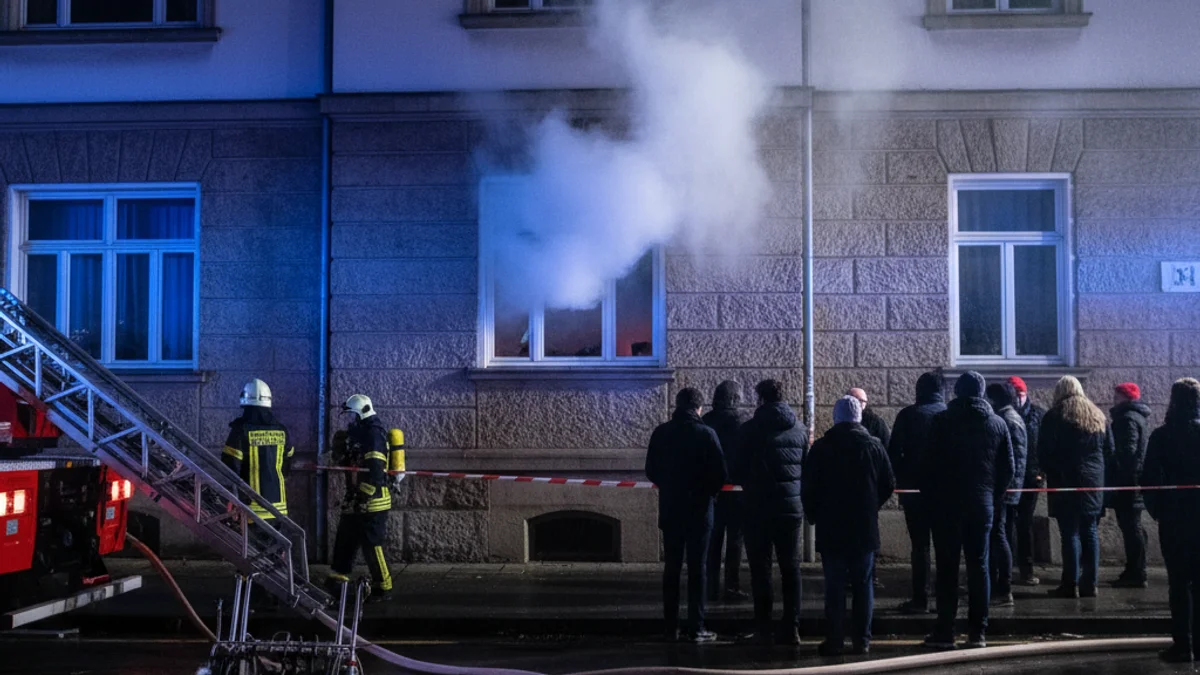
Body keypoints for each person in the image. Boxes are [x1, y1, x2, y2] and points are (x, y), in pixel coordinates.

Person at [921, 372, 1013, 651]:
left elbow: (929, 464)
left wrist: (932, 496)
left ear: (958, 391)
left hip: (946, 505)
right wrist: (993, 495)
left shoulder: (942, 421)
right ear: (982, 392)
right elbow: (1007, 469)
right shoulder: (997, 423)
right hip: (981, 504)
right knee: (979, 566)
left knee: (947, 568)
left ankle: (945, 631)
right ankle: (977, 632)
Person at [802, 396, 895, 657]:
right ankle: (862, 640)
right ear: (859, 417)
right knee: (863, 586)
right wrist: (872, 506)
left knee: (834, 587)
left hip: (831, 527)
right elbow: (888, 483)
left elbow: (808, 487)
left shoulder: (822, 448)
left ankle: (834, 640)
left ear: (836, 417)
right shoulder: (874, 446)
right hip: (863, 527)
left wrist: (814, 515)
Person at [646, 388, 728, 643]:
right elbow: (720, 473)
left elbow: (651, 470)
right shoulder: (706, 434)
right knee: (697, 568)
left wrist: (669, 486)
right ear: (699, 408)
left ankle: (670, 627)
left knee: (672, 567)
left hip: (671, 508)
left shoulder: (662, 433)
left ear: (677, 405)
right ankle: (696, 626)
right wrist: (708, 493)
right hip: (700, 510)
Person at [732, 379, 809, 646]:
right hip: (790, 509)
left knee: (761, 570)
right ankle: (792, 627)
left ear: (760, 399)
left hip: (758, 508)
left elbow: (736, 470)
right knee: (791, 568)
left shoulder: (749, 430)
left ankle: (763, 628)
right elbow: (806, 467)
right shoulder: (799, 429)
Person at [1038, 376, 1112, 599]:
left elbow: (1044, 451)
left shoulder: (1055, 415)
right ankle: (1090, 584)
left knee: (1069, 533)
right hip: (1094, 483)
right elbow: (1110, 450)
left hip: (1065, 481)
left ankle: (1070, 584)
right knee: (1090, 532)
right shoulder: (1098, 415)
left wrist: (1051, 471)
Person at [1143, 378, 1200, 663]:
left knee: (1179, 583)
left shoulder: (1162, 435)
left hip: (1175, 518)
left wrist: (1158, 511)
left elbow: (1149, 479)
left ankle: (1183, 644)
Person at [888, 371, 946, 615]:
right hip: (945, 492)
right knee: (945, 546)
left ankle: (920, 598)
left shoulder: (908, 415)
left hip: (915, 491)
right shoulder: (949, 415)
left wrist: (902, 477)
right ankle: (945, 599)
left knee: (919, 546)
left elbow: (893, 453)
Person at [327, 394, 394, 602]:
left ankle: (383, 587)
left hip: (373, 500)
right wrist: (338, 450)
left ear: (362, 413)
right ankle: (337, 579)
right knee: (345, 540)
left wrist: (364, 495)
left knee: (372, 545)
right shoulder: (358, 434)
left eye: (353, 415)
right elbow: (346, 462)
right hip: (355, 498)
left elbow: (376, 471)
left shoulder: (373, 434)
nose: (351, 420)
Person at [221, 379, 294, 522]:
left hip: (251, 508)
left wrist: (234, 495)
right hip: (278, 509)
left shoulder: (241, 430)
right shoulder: (281, 430)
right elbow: (287, 462)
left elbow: (230, 464)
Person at [702, 381, 748, 603]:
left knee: (713, 540)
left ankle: (711, 587)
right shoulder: (742, 422)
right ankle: (732, 586)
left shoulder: (707, 420)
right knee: (735, 540)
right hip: (737, 491)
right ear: (735, 399)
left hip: (711, 490)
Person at [985, 382, 1027, 608]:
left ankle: (1004, 588)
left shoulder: (1008, 420)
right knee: (999, 535)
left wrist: (1004, 489)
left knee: (999, 536)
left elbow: (1015, 460)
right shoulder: (1009, 417)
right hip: (1005, 489)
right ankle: (997, 585)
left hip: (1003, 490)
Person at [1107, 382, 1151, 588]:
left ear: (1125, 397)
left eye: (1117, 395)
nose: (1114, 399)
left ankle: (1137, 572)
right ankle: (1135, 568)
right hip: (1132, 481)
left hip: (1128, 483)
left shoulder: (1127, 419)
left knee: (1131, 527)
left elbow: (1128, 452)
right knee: (1133, 526)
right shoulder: (1135, 417)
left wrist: (1119, 471)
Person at [1008, 376, 1045, 587]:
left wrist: (1040, 472)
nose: (1018, 398)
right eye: (1015, 394)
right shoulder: (1003, 414)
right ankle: (1005, 569)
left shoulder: (1037, 414)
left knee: (1024, 523)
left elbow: (1043, 445)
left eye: (1021, 394)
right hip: (1010, 478)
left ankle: (1026, 569)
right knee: (1006, 524)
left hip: (1031, 477)